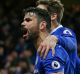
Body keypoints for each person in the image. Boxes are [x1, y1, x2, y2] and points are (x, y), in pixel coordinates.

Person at [21, 7, 70, 74]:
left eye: (28, 20)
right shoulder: (42, 50)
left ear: (42, 25)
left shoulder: (50, 52)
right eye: (23, 20)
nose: (22, 23)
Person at [36, 0, 80, 74]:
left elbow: (72, 43)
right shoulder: (44, 40)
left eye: (40, 13)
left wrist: (56, 38)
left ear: (53, 16)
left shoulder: (64, 32)